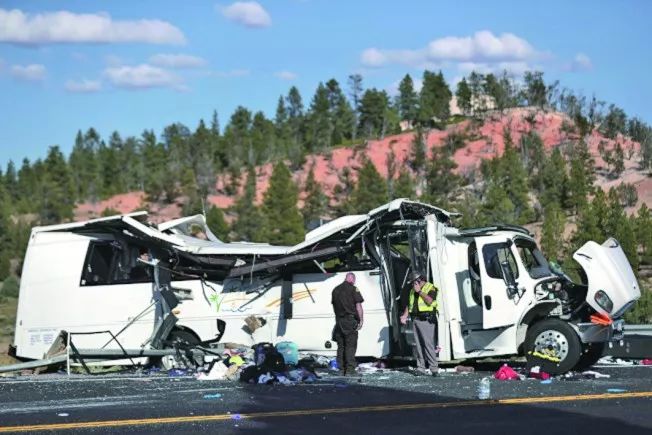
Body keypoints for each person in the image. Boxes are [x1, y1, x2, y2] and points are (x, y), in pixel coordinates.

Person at [400, 272, 439, 376]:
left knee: (428, 345)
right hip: (416, 320)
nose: (413, 284)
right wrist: (405, 315)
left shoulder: (430, 287)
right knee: (418, 346)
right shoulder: (413, 290)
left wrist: (420, 291)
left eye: (414, 282)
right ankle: (421, 368)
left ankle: (434, 369)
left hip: (426, 319)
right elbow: (410, 304)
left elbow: (430, 301)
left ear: (419, 280)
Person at [331, 272, 364, 376]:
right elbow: (358, 306)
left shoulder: (335, 290)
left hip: (339, 321)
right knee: (351, 345)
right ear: (352, 279)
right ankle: (350, 369)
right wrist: (361, 320)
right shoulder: (353, 289)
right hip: (349, 320)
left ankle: (341, 369)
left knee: (341, 345)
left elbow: (334, 307)